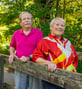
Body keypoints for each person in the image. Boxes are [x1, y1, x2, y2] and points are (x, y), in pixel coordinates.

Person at [33, 17, 78, 89]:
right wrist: (48, 63)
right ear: (51, 27)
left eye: (62, 25)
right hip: (52, 79)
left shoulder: (67, 42)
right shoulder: (45, 41)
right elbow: (36, 57)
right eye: (57, 25)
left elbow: (75, 58)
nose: (60, 27)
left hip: (68, 80)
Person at [9, 11, 43, 89]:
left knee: (34, 87)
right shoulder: (16, 33)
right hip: (20, 65)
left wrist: (28, 57)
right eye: (24, 19)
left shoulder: (38, 32)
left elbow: (39, 49)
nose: (27, 20)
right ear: (21, 23)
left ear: (32, 21)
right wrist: (12, 54)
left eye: (28, 18)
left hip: (35, 66)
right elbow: (12, 46)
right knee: (20, 87)